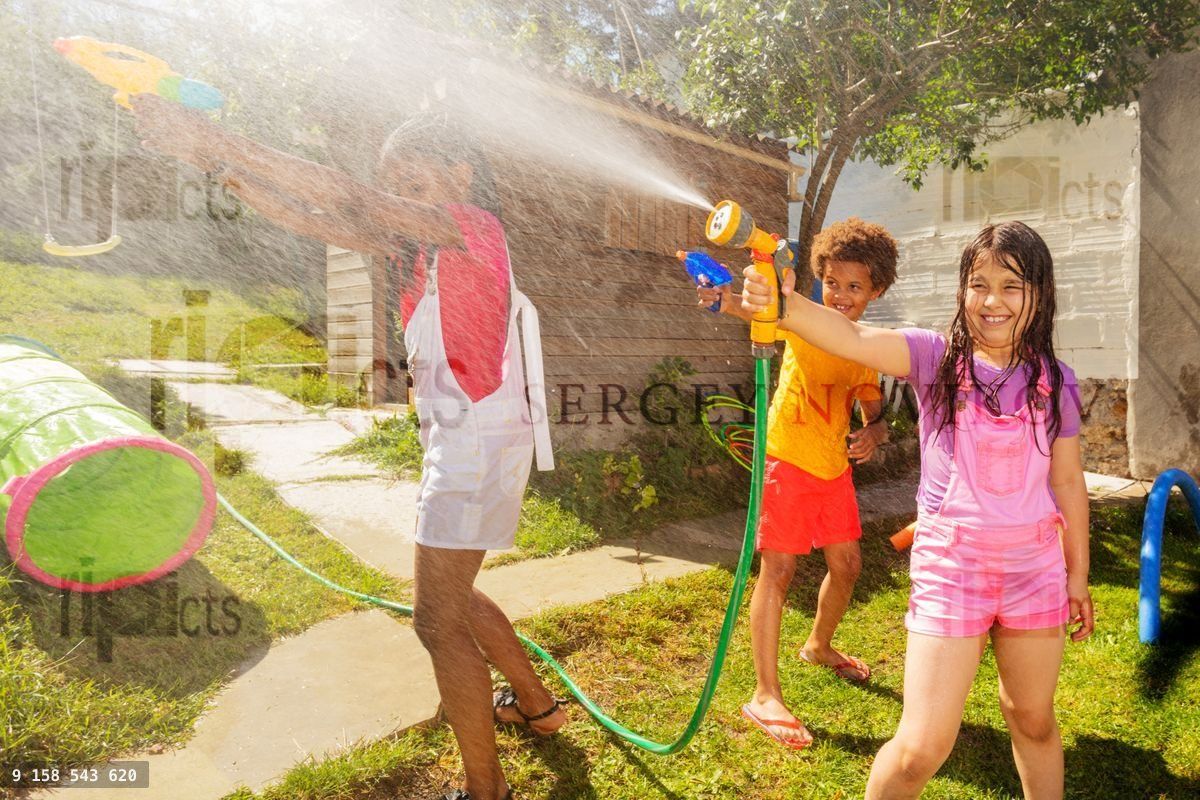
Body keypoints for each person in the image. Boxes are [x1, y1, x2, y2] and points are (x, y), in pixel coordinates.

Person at [131, 94, 565, 800]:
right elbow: (321, 218)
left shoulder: (470, 226)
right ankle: (536, 708)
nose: (396, 197)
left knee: (435, 620)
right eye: (394, 184)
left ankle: (488, 792)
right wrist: (223, 169)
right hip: (472, 439)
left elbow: (346, 194)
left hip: (473, 445)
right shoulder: (418, 246)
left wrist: (218, 135)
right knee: (456, 593)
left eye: (413, 182)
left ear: (458, 177)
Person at [740, 220, 1093, 797]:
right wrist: (787, 304)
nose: (992, 300)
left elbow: (1068, 481)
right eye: (978, 284)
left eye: (1012, 285)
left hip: (1036, 573)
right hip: (953, 571)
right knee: (920, 749)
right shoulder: (935, 359)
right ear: (962, 292)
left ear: (1040, 294)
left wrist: (1076, 574)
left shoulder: (1056, 382)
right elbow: (853, 340)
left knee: (1033, 720)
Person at [696, 218, 897, 749]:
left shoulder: (862, 345)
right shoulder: (804, 318)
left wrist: (875, 430)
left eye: (855, 286)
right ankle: (765, 693)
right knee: (778, 571)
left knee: (847, 566)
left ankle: (818, 646)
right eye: (832, 282)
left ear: (875, 290)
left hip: (833, 467)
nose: (841, 295)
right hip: (787, 460)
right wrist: (726, 301)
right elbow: (760, 310)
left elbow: (871, 400)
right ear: (820, 279)